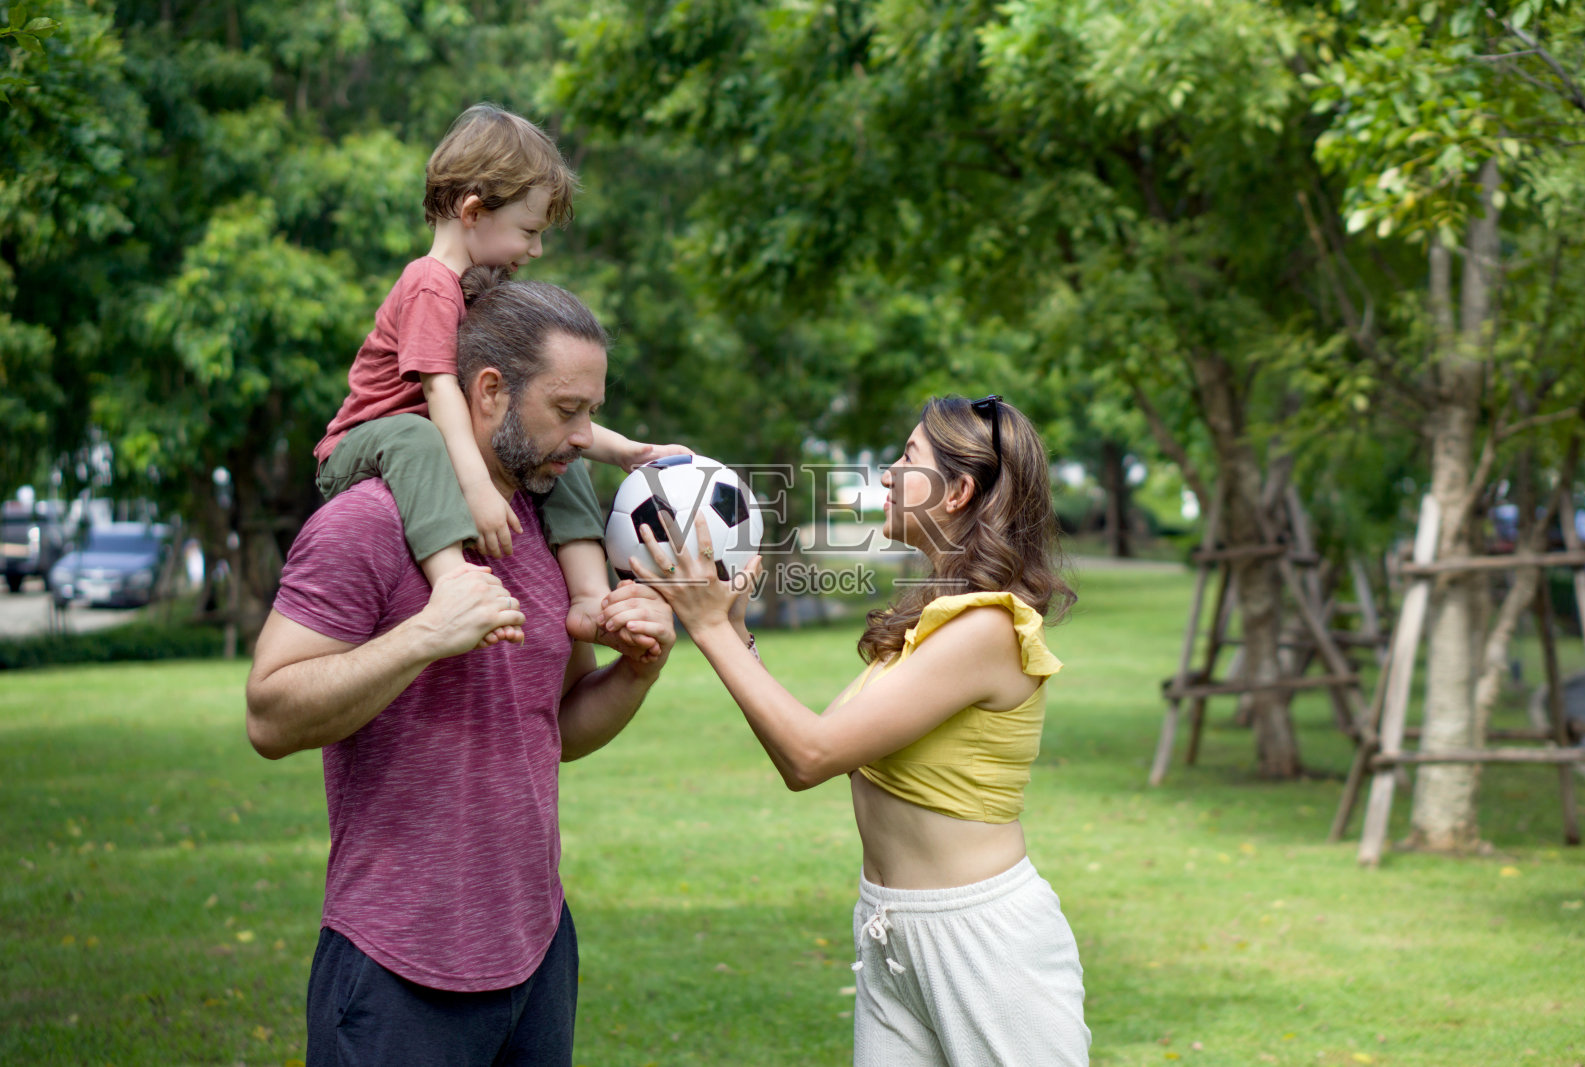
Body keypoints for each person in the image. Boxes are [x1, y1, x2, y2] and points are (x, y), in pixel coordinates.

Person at [247, 270, 675, 1066]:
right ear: (487, 390)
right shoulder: (365, 522)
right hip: (395, 963)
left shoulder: (546, 524)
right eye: (567, 409)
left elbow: (557, 730)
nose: (586, 437)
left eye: (593, 411)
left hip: (538, 948)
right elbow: (269, 715)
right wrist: (423, 636)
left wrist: (637, 672)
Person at [604, 395, 1091, 1066]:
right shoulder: (934, 622)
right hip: (890, 926)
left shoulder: (987, 629)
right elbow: (806, 740)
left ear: (958, 491)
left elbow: (810, 756)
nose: (887, 472)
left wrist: (709, 625)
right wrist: (737, 627)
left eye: (908, 457)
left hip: (982, 941)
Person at [313, 101, 682, 648]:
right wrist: (479, 490)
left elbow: (535, 410)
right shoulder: (430, 284)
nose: (534, 250)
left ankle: (587, 596)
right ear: (472, 213)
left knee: (556, 444)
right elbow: (440, 394)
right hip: (362, 446)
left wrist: (623, 450)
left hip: (428, 441)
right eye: (528, 231)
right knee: (415, 435)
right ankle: (454, 584)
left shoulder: (470, 288)